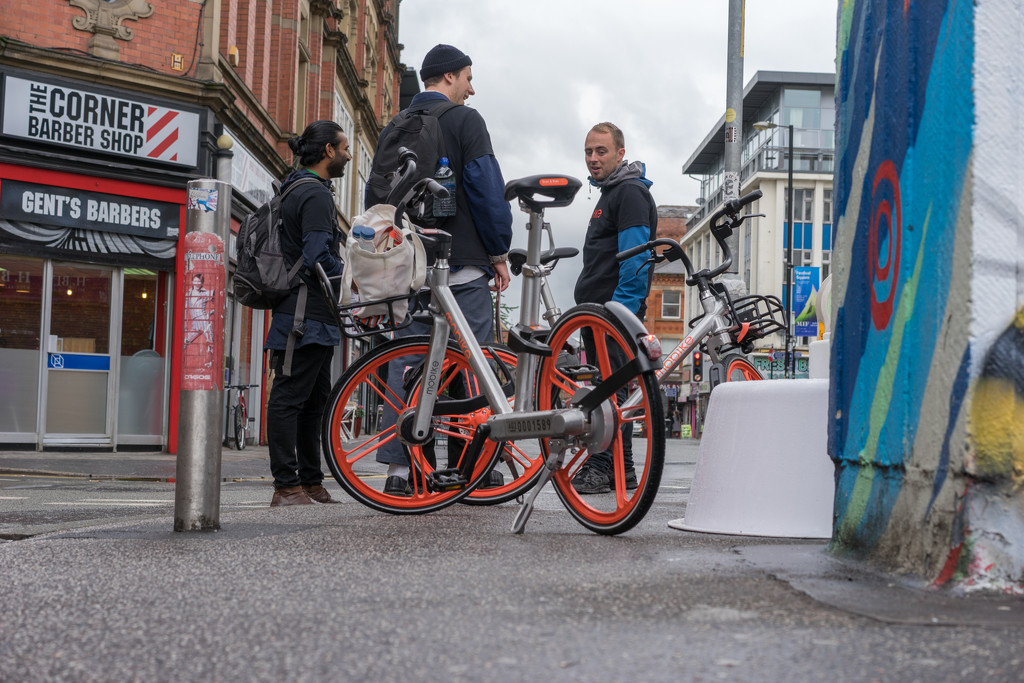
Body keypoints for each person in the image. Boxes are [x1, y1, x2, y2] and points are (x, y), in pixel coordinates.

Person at [367, 43, 513, 496]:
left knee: (406, 364)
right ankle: (480, 467)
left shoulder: (395, 126)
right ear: (449, 77)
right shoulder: (466, 121)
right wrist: (499, 251)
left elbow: (377, 201)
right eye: (468, 77)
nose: (472, 88)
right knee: (473, 363)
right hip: (461, 264)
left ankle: (402, 472)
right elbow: (487, 190)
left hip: (407, 267)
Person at [265, 120, 351, 506]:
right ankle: (286, 486)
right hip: (302, 317)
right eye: (345, 148)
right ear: (329, 151)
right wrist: (354, 279)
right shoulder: (315, 194)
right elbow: (319, 257)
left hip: (312, 316)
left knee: (315, 402)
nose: (349, 155)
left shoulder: (296, 186)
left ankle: (311, 482)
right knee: (288, 399)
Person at [571, 122, 658, 495]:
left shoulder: (630, 193)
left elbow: (636, 260)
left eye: (601, 151)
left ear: (620, 154)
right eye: (589, 151)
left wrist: (619, 314)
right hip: (599, 312)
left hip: (612, 314)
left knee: (610, 394)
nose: (593, 158)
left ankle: (603, 464)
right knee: (612, 391)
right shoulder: (612, 193)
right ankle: (622, 471)